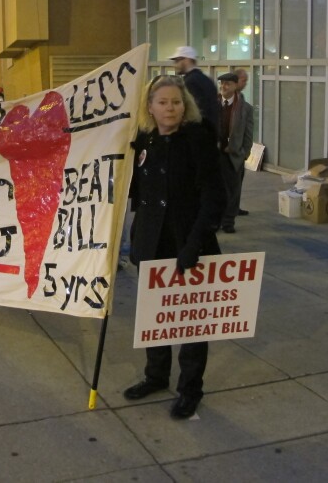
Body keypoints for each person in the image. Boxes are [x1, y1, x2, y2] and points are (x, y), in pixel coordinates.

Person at [123, 75, 225, 419]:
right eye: (163, 102)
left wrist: (195, 243)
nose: (170, 108)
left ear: (186, 106)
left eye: (176, 102)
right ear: (150, 108)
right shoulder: (144, 141)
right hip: (151, 243)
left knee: (190, 321)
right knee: (156, 316)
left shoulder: (197, 138)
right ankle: (156, 376)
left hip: (188, 242)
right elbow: (138, 193)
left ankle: (190, 388)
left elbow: (215, 196)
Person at [216, 72, 253, 234]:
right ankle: (215, 220)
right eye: (222, 83)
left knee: (233, 190)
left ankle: (228, 222)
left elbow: (248, 133)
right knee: (215, 189)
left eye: (227, 84)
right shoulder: (213, 104)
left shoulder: (245, 108)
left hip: (233, 155)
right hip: (215, 154)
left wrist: (244, 153)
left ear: (235, 86)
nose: (224, 86)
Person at [168, 46, 219, 134]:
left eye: (177, 61)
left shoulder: (189, 82)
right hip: (210, 133)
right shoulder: (207, 80)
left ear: (187, 60)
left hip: (197, 133)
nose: (175, 65)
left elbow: (193, 112)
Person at [234, 68, 251, 215]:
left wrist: (246, 150)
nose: (245, 83)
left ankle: (234, 207)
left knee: (238, 181)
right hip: (227, 151)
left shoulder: (243, 101)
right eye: (243, 80)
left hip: (239, 151)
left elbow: (247, 129)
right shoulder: (223, 101)